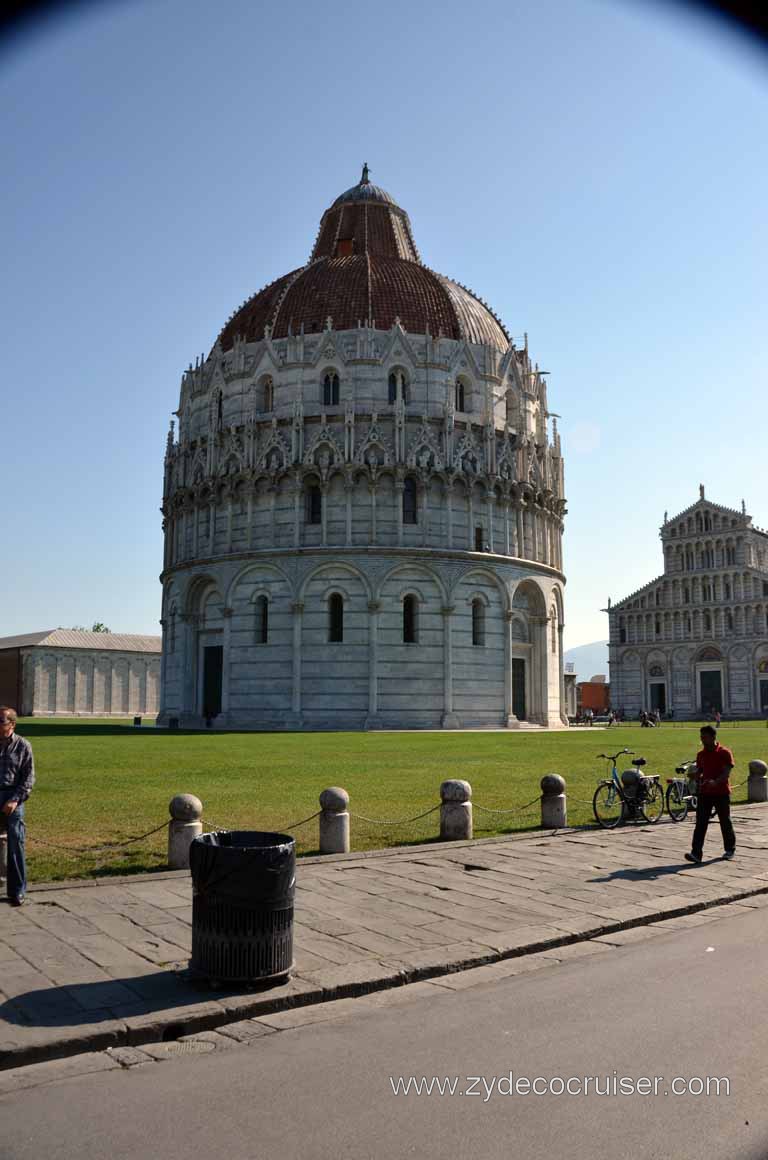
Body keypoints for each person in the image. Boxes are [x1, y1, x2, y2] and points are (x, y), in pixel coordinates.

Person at [684, 724, 735, 864]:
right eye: (701, 737)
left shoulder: (724, 752)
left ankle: (730, 849)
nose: (702, 740)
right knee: (700, 823)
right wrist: (693, 775)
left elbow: (726, 773)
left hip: (721, 792)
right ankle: (696, 853)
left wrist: (716, 782)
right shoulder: (701, 754)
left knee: (725, 822)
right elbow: (700, 770)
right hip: (705, 793)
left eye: (705, 737)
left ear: (713, 737)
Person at [0, 707, 35, 906]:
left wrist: (14, 800)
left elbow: (28, 778)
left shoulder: (23, 746)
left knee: (15, 844)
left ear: (12, 724)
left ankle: (17, 890)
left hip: (13, 796)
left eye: (1, 721)